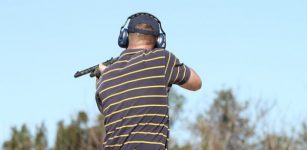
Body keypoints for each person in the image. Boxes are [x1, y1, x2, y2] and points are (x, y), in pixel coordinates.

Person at [95, 12, 202, 150]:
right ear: (159, 41)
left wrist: (101, 76)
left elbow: (110, 113)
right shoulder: (161, 59)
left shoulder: (106, 76)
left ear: (125, 37)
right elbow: (196, 83)